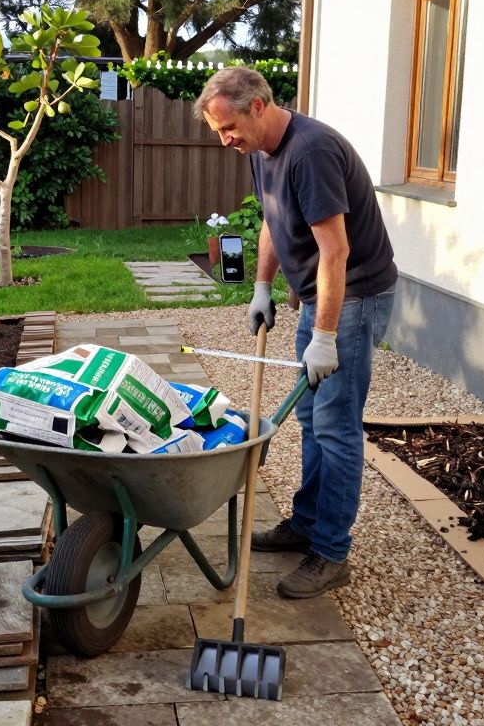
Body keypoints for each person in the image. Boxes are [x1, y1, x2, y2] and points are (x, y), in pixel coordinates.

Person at [194, 67, 398, 598]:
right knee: (311, 414)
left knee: (335, 423)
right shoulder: (262, 151)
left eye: (228, 126)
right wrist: (261, 286)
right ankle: (306, 523)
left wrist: (325, 336)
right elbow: (272, 219)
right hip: (318, 294)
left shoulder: (311, 153)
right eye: (218, 131)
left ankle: (331, 551)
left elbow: (336, 250)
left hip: (353, 294)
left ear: (257, 105)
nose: (225, 140)